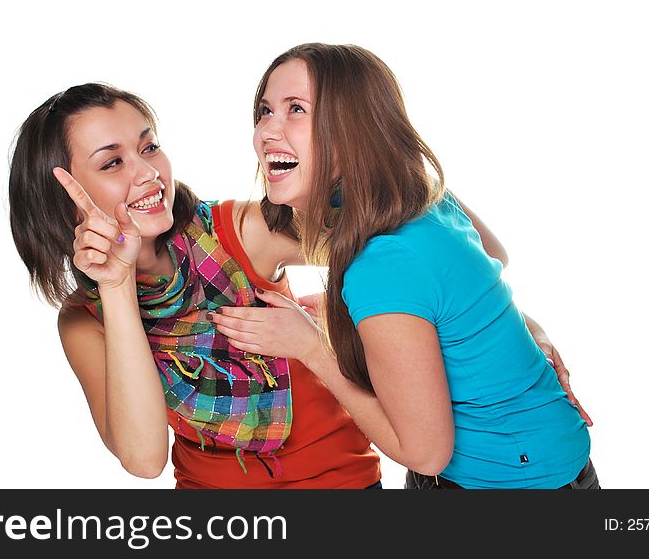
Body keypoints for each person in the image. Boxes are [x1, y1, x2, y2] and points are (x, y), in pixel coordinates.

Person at [210, 43, 598, 489]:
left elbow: (427, 454)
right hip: (560, 460)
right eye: (265, 110)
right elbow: (489, 265)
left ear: (353, 130)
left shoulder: (379, 263)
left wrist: (312, 346)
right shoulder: (423, 195)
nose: (267, 131)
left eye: (295, 109)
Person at [7, 82, 381, 488]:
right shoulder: (84, 320)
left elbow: (391, 236)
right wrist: (115, 287)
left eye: (149, 148)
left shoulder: (237, 232)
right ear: (61, 201)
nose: (149, 174)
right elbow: (144, 458)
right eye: (113, 163)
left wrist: (351, 310)